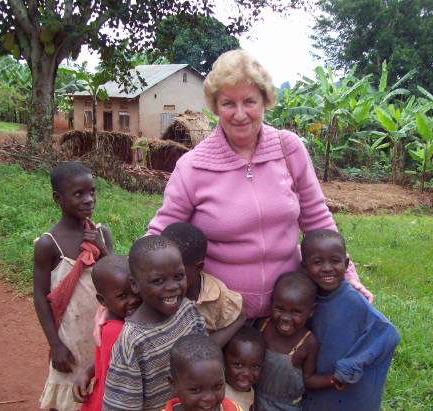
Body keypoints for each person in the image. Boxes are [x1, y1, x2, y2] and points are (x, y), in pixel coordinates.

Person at [146, 49, 372, 319]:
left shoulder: (289, 149)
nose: (240, 114)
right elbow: (160, 235)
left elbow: (317, 220)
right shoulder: (193, 166)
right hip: (221, 312)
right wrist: (129, 284)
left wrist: (349, 276)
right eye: (228, 103)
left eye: (250, 101)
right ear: (215, 107)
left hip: (289, 308)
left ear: (265, 101)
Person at [34, 161, 112, 411]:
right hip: (70, 337)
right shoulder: (48, 244)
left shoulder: (101, 233)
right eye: (79, 194)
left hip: (100, 332)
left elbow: (117, 278)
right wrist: (55, 344)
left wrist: (103, 249)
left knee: (99, 391)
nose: (89, 199)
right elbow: (40, 297)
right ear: (58, 198)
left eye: (92, 192)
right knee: (67, 396)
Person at [103, 235, 207, 411]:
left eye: (179, 276)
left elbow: (205, 360)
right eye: (158, 280)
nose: (172, 286)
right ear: (135, 285)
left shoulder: (188, 310)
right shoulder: (133, 341)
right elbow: (122, 406)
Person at [300, 229, 400, 411]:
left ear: (346, 264)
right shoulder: (308, 298)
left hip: (346, 390)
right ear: (304, 267)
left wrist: (350, 366)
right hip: (319, 387)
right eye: (317, 262)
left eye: (335, 261)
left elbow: (387, 334)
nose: (327, 268)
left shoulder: (353, 300)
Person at [255, 271, 338, 410]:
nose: (285, 317)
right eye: (279, 308)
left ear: (311, 311)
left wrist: (333, 379)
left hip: (285, 407)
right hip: (253, 398)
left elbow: (308, 380)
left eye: (296, 312)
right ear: (271, 303)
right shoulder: (263, 326)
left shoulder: (308, 343)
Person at [72, 255, 141, 410]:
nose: (133, 300)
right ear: (102, 301)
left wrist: (88, 372)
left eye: (136, 292)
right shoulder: (118, 332)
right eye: (122, 296)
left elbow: (105, 361)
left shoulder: (116, 321)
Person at [162, 222, 246, 346]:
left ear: (198, 267)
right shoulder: (153, 287)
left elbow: (238, 319)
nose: (168, 285)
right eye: (161, 273)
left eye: (177, 276)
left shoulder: (219, 299)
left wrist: (238, 322)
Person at [162, 334, 244, 411]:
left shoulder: (232, 408)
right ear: (173, 384)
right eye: (195, 390)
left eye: (217, 386)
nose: (209, 398)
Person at [223, 326, 266, 411]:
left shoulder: (250, 391)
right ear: (223, 361)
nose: (246, 373)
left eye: (255, 366)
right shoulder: (221, 396)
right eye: (238, 365)